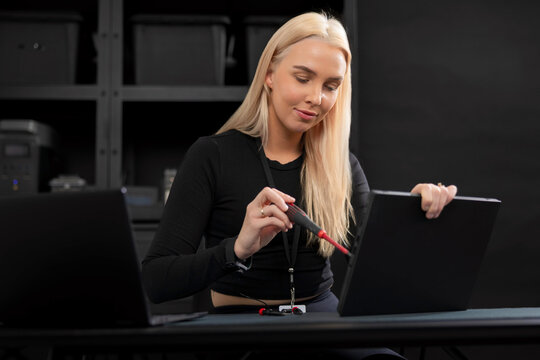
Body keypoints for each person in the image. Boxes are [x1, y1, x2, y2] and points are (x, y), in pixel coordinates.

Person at [142, 11, 457, 359]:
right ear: (270, 75)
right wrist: (237, 250)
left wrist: (412, 215)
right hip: (240, 325)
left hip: (323, 321)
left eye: (330, 86)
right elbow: (157, 281)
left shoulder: (343, 166)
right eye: (303, 78)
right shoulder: (212, 155)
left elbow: (379, 265)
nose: (317, 98)